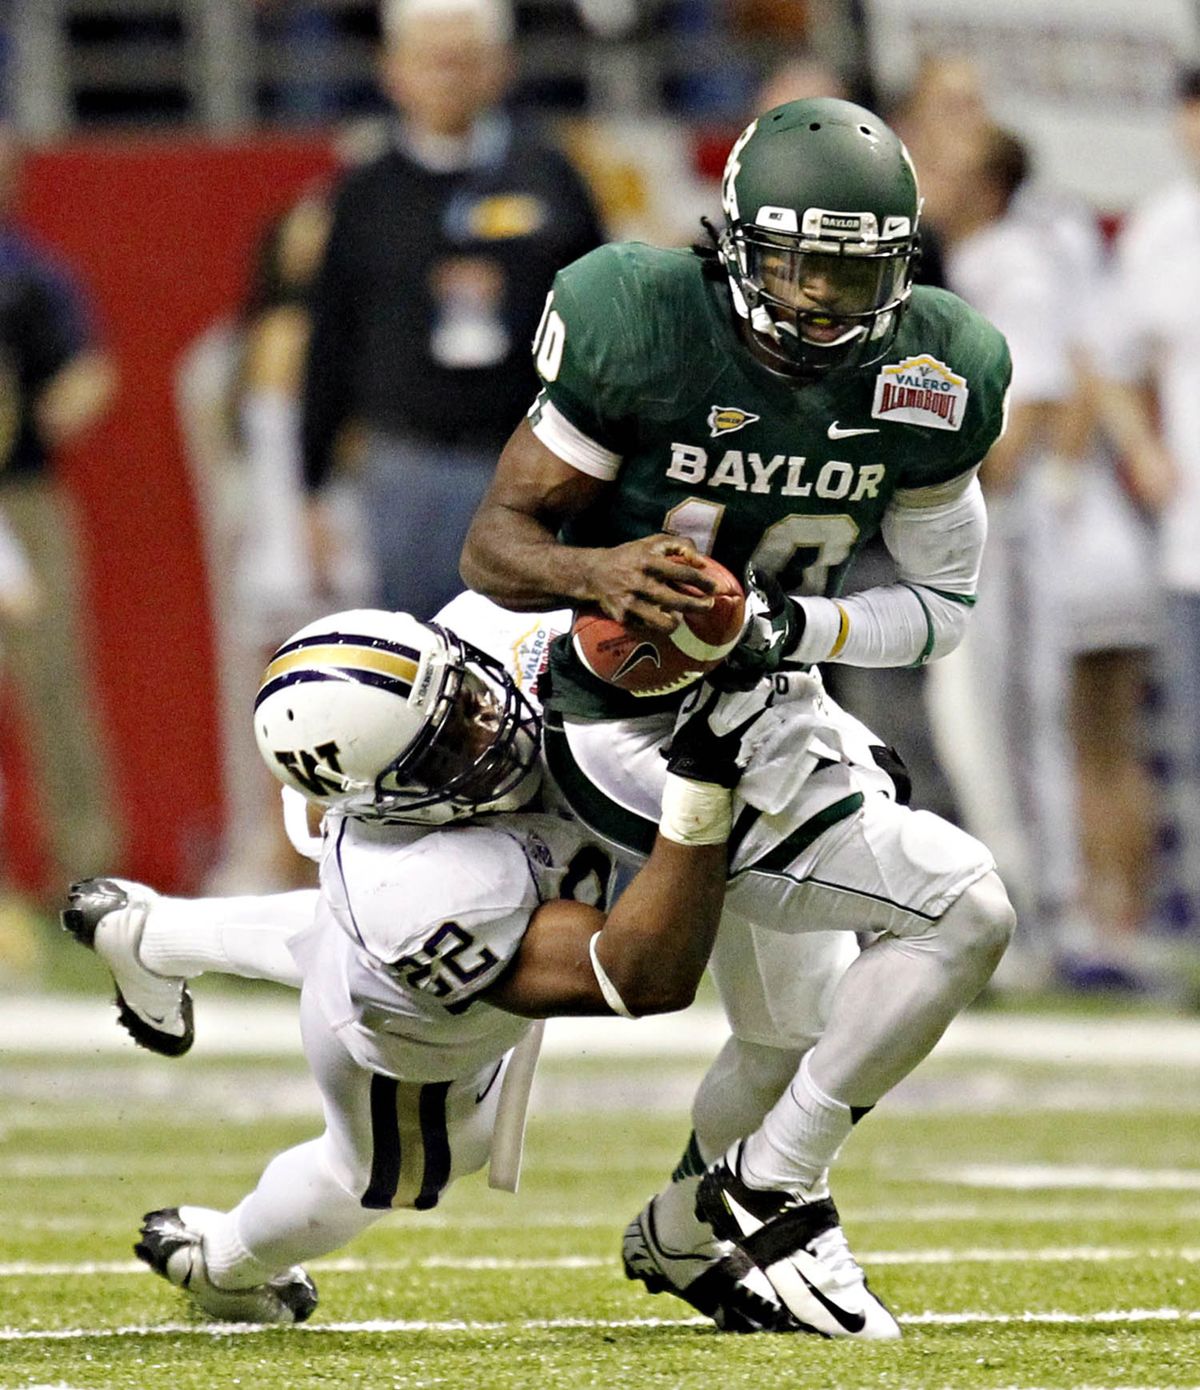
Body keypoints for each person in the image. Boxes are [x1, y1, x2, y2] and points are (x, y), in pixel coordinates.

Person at [460, 96, 1017, 1339]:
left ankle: (693, 1225)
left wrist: (788, 633)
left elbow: (938, 608)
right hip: (604, 702)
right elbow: (495, 540)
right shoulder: (640, 320)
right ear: (736, 245)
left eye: (855, 268)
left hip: (762, 697)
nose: (822, 297)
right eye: (799, 262)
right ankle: (778, 1190)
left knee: (794, 1030)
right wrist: (602, 573)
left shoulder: (936, 371)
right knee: (962, 904)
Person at [63, 601, 791, 1325]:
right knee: (386, 1172)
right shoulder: (426, 896)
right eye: (445, 751)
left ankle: (148, 933)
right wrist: (703, 778)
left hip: (376, 933)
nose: (488, 732)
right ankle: (223, 1263)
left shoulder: (488, 632)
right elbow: (638, 973)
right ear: (375, 799)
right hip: (402, 1039)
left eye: (466, 699)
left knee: (326, 936)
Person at [301, 0, 605, 620]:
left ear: (500, 68)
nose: (448, 77)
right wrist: (313, 486)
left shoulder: (550, 176)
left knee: (534, 651)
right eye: (432, 61)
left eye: (463, 61)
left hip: (532, 459)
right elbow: (330, 336)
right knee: (412, 656)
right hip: (406, 465)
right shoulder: (364, 192)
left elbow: (605, 324)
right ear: (394, 71)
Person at [1087, 64, 1200, 941]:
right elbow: (1108, 358)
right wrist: (1142, 447)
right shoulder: (1164, 231)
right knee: (1192, 752)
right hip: (1190, 542)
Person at [0, 122, 117, 897]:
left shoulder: (31, 275)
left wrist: (34, 417)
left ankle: (84, 868)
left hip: (23, 500)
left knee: (53, 688)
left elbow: (90, 373)